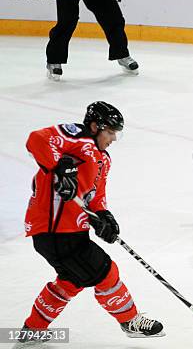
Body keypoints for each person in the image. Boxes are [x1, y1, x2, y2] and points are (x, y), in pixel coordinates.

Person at [15, 101, 163, 347]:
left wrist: (104, 216)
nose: (114, 138)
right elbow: (37, 139)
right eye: (111, 132)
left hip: (73, 230)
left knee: (71, 281)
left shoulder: (103, 159)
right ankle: (130, 320)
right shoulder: (77, 138)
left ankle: (32, 330)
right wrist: (60, 165)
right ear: (95, 126)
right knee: (105, 270)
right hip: (54, 230)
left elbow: (95, 197)